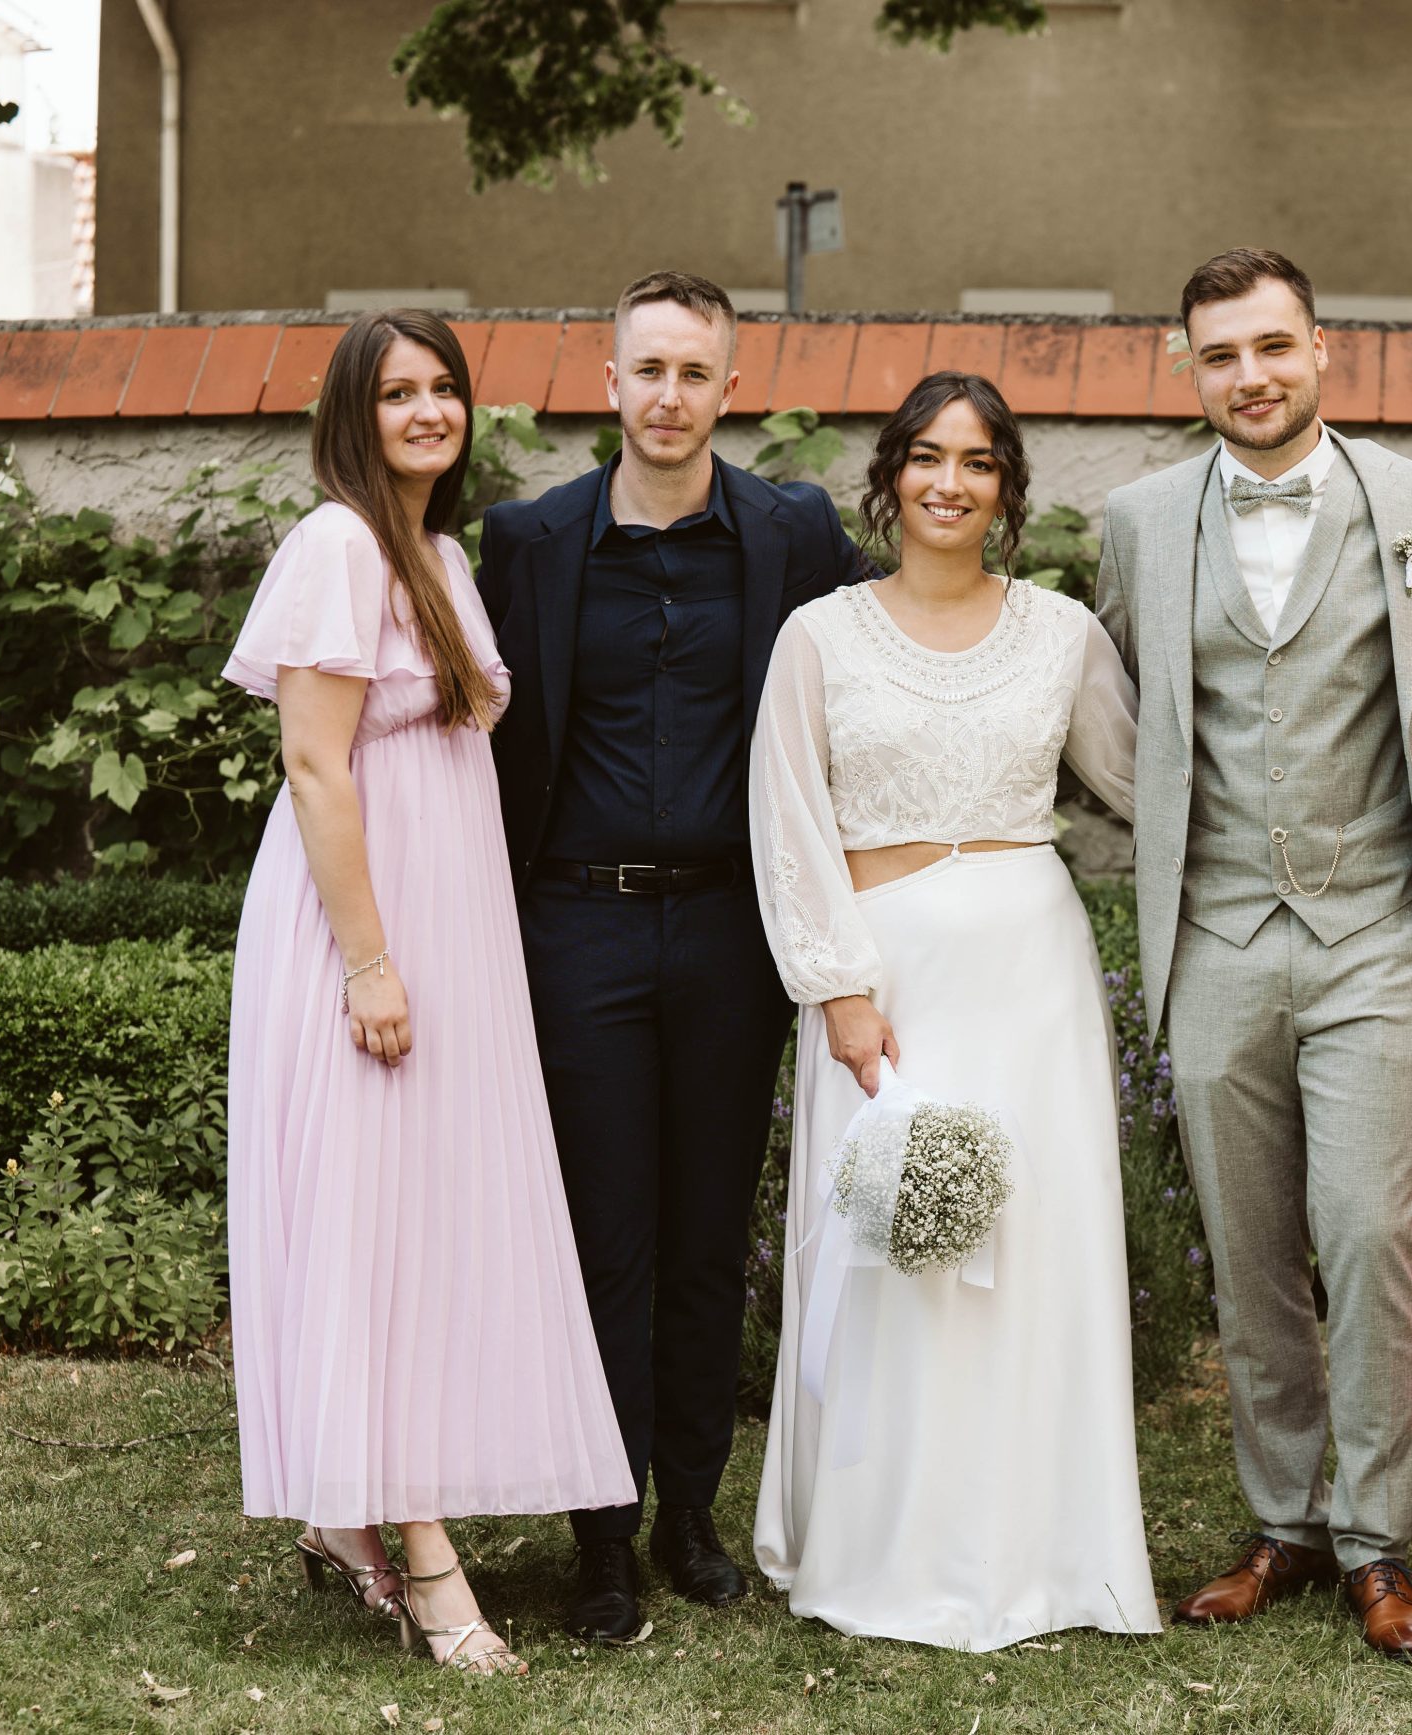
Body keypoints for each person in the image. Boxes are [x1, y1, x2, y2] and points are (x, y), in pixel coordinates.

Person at [224, 309, 634, 1678]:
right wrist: (370, 960)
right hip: (362, 923)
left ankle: (348, 1515)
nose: (426, 410)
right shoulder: (337, 545)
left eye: (443, 387)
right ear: (355, 413)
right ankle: (426, 1554)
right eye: (396, 391)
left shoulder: (441, 554)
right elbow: (315, 764)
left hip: (451, 920)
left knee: (424, 1211)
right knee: (377, 1220)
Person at [1095, 248, 1412, 1660]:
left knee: (1372, 1231)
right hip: (1214, 933)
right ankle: (1284, 1519)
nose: (1249, 376)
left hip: (1374, 927)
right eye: (1220, 354)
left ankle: (1378, 1538)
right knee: (1250, 1244)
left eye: (1272, 346)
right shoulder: (1137, 521)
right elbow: (1117, 700)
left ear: (1320, 348)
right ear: (1190, 369)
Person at [474, 271, 876, 1644]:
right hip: (576, 926)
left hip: (728, 929)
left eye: (694, 372)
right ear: (609, 382)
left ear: (728, 387)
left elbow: (882, 658)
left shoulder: (791, 532)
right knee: (606, 1237)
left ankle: (688, 1512)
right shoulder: (530, 539)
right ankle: (599, 1532)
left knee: (708, 1232)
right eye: (647, 369)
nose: (668, 395)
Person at [746, 371, 1157, 1649]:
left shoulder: (1061, 632)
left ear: (1007, 489)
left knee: (1031, 1251)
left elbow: (1148, 782)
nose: (950, 481)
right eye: (927, 456)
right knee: (891, 1247)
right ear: (890, 475)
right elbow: (786, 819)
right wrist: (838, 986)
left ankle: (1041, 1547)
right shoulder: (819, 635)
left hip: (1031, 975)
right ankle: (886, 1545)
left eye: (978, 462)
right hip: (889, 981)